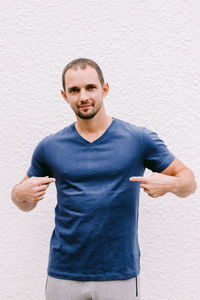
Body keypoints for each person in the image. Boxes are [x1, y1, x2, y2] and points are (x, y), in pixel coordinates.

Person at [11, 58, 197, 300]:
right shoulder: (50, 146)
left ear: (105, 89)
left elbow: (189, 182)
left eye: (90, 87)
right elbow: (25, 201)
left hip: (118, 273)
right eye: (74, 90)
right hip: (63, 273)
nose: (83, 97)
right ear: (64, 96)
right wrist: (18, 195)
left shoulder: (138, 139)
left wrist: (170, 185)